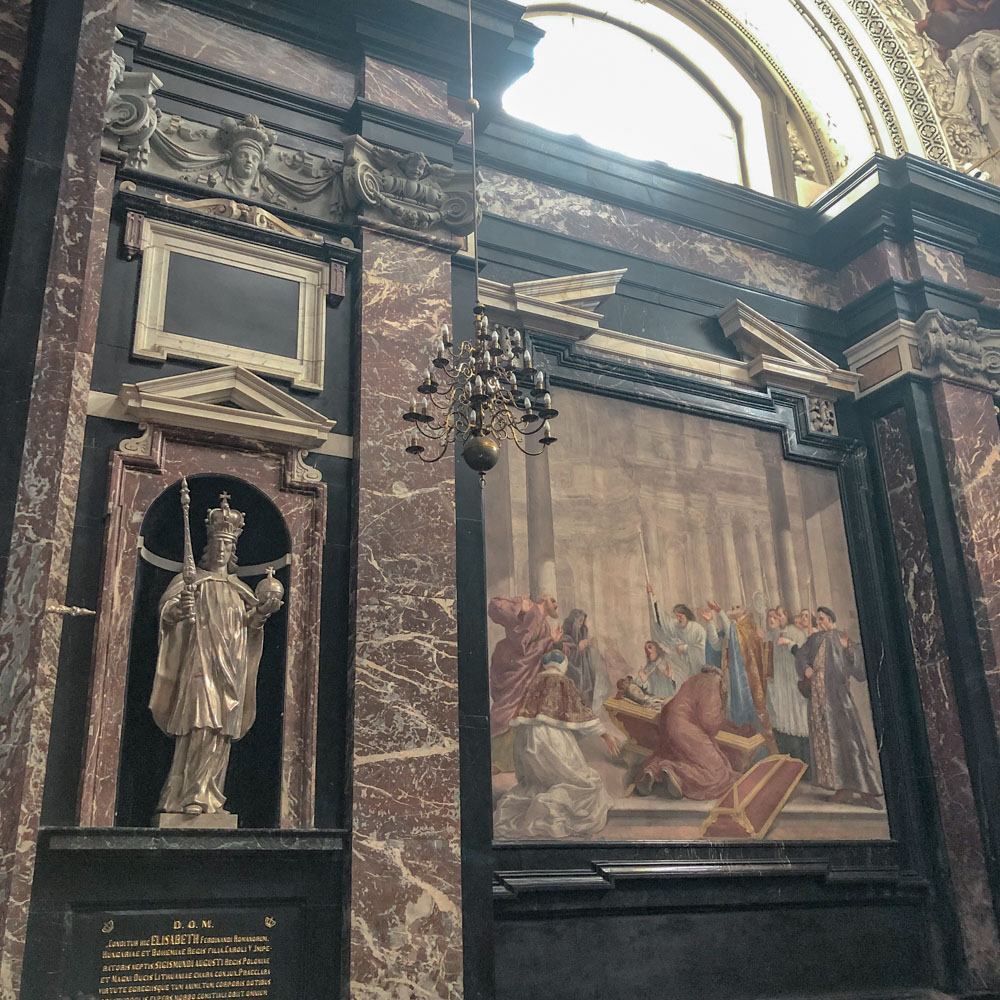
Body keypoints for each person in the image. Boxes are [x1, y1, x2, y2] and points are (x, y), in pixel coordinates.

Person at [149, 494, 282, 817]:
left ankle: (209, 793)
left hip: (231, 667)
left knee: (221, 730)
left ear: (233, 550)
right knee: (198, 722)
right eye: (218, 544)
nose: (222, 550)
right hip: (198, 662)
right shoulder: (191, 581)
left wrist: (262, 612)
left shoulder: (239, 589)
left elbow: (250, 627)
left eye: (228, 545)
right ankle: (186, 794)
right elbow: (167, 614)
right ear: (209, 547)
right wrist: (180, 609)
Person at [493, 650, 619, 839]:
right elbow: (580, 712)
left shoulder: (534, 681)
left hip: (526, 740)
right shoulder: (563, 681)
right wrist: (604, 734)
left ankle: (539, 808)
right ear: (563, 664)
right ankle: (551, 813)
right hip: (551, 740)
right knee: (582, 783)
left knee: (538, 783)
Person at [791, 607, 883, 809]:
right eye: (818, 619)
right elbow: (801, 656)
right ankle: (843, 789)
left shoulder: (841, 637)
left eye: (822, 619)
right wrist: (806, 668)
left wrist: (847, 648)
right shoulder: (814, 639)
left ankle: (866, 791)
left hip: (838, 698)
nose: (819, 622)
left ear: (831, 619)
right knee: (829, 743)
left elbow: (860, 670)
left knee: (851, 742)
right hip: (819, 700)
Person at [633, 666, 749, 799]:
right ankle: (675, 772)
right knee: (717, 771)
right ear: (720, 678)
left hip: (668, 722)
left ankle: (652, 771)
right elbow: (709, 720)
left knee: (676, 755)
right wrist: (722, 714)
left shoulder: (693, 679)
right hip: (685, 729)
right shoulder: (713, 683)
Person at [702, 601, 779, 754]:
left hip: (748, 682)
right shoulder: (732, 628)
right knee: (732, 717)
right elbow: (716, 644)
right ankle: (739, 753)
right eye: (732, 607)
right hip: (732, 680)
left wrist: (720, 612)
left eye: (736, 607)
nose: (733, 609)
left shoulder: (748, 627)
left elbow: (735, 635)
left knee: (750, 718)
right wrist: (710, 622)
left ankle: (759, 755)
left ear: (744, 610)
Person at [488, 593, 562, 742]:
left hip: (528, 672)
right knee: (505, 707)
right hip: (510, 664)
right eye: (552, 600)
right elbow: (494, 605)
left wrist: (554, 642)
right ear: (542, 597)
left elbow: (543, 652)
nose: (555, 604)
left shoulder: (546, 627)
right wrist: (518, 608)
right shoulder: (526, 606)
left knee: (521, 710)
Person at [769, 607, 811, 770]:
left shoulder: (796, 633)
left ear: (786, 616)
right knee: (783, 721)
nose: (778, 618)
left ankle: (805, 767)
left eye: (780, 615)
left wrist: (788, 643)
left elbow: (802, 656)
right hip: (781, 684)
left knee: (798, 720)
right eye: (775, 616)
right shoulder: (774, 635)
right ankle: (790, 767)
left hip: (793, 683)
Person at [646, 586, 705, 687]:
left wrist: (685, 648)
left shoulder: (697, 629)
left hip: (697, 665)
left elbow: (703, 648)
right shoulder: (676, 625)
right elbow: (664, 620)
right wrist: (653, 597)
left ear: (686, 615)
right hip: (683, 666)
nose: (678, 619)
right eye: (676, 616)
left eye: (680, 616)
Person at [561, 608, 611, 709]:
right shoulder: (566, 637)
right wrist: (578, 649)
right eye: (579, 621)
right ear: (573, 621)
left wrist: (591, 646)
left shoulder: (582, 634)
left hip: (585, 673)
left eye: (582, 622)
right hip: (573, 673)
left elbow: (588, 653)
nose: (580, 625)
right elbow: (567, 656)